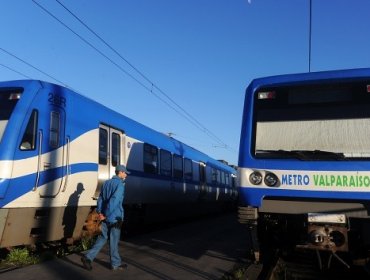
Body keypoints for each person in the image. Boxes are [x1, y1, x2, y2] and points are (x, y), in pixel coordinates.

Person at [81, 164, 130, 271]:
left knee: (102, 238)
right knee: (114, 240)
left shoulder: (106, 183)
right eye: (125, 172)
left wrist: (100, 212)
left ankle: (88, 257)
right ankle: (115, 264)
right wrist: (106, 214)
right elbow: (114, 201)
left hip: (104, 216)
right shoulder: (120, 185)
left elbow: (101, 198)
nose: (126, 174)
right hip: (115, 217)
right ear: (120, 172)